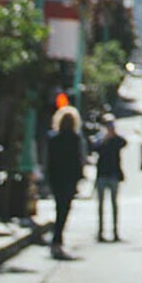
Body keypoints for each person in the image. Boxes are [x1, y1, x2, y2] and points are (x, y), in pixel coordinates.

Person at [45, 106, 85, 259]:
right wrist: (79, 178)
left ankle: (56, 240)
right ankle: (57, 240)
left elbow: (49, 161)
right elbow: (77, 160)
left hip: (56, 179)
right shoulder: (75, 138)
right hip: (68, 179)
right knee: (64, 210)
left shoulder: (53, 139)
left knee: (59, 208)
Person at [90, 114, 126, 242]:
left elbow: (123, 143)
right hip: (102, 175)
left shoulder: (116, 139)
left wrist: (114, 135)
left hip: (114, 174)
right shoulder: (100, 138)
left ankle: (115, 231)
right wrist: (105, 138)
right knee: (100, 205)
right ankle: (100, 231)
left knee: (114, 204)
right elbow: (95, 148)